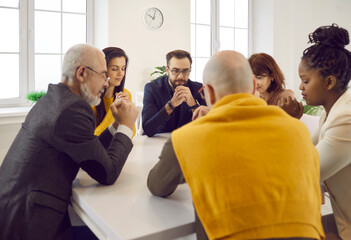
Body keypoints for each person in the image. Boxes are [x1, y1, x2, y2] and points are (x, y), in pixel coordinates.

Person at [147, 50, 324, 240]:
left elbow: (157, 186)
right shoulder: (298, 131)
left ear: (209, 93)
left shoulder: (188, 138)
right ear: (254, 86)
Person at [0, 44, 139, 240]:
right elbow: (107, 173)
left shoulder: (54, 99)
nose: (106, 84)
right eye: (102, 75)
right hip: (30, 223)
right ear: (82, 73)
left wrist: (115, 124)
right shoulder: (73, 109)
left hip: (14, 209)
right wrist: (126, 125)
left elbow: (89, 148)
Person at [298, 23, 351, 239]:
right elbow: (303, 150)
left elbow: (308, 170)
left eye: (306, 81)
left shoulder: (346, 117)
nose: (300, 87)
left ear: (329, 82)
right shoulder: (328, 113)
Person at [142, 49, 206, 137]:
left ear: (190, 70)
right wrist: (171, 105)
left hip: (186, 141)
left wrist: (193, 105)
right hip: (157, 143)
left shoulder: (198, 88)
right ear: (167, 70)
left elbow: (209, 126)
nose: (181, 76)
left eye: (185, 71)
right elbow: (148, 129)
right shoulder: (152, 88)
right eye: (175, 71)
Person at [92, 47, 136, 137]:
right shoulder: (91, 98)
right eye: (114, 69)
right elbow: (93, 138)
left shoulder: (125, 94)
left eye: (123, 68)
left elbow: (130, 133)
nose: (120, 73)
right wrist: (114, 111)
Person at [249, 53, 303, 118]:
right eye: (250, 78)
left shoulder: (285, 95)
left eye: (259, 78)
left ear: (272, 76)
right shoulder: (252, 96)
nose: (254, 83)